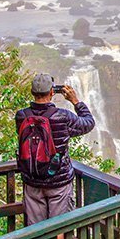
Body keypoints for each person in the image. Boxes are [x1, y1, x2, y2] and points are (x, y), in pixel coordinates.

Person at [16, 73, 95, 226]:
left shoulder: (21, 116)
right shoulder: (62, 116)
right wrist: (75, 101)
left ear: (32, 92)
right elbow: (88, 123)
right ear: (52, 92)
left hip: (32, 181)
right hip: (58, 181)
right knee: (59, 229)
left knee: (32, 232)